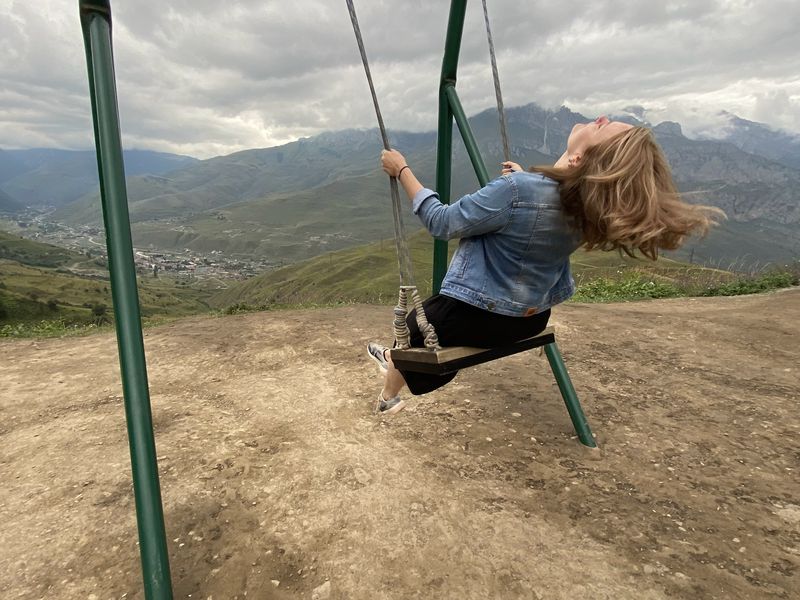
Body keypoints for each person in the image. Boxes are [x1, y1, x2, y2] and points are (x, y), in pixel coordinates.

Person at [367, 116, 723, 414]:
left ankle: (389, 396)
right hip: (529, 320)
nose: (599, 118)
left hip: (476, 317)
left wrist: (402, 171)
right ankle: (391, 369)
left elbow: (442, 222)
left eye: (604, 126)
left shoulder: (519, 190)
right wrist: (524, 179)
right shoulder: (587, 205)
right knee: (421, 336)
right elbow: (548, 199)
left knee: (415, 331)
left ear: (579, 160)